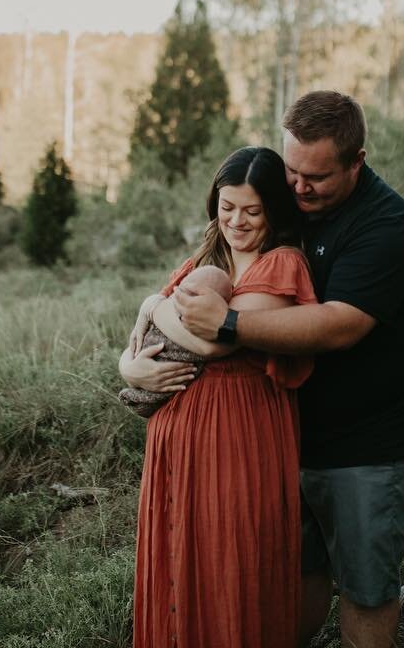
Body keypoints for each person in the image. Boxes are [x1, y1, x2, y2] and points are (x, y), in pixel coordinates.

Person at [173, 91, 404, 648]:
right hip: (286, 430)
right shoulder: (290, 203)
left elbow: (339, 325)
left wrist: (228, 325)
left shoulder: (387, 227)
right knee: (293, 571)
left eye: (315, 177)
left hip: (370, 439)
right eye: (291, 169)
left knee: (366, 589)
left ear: (356, 162)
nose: (298, 188)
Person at [118, 146, 317, 648]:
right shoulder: (203, 262)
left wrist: (151, 304)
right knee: (179, 561)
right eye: (227, 207)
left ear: (273, 208)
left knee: (231, 557)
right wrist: (128, 367)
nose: (237, 221)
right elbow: (136, 346)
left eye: (252, 210)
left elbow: (211, 340)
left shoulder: (281, 265)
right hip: (176, 438)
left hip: (238, 436)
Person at [117, 264, 231, 417]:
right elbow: (139, 338)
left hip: (207, 412)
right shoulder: (193, 266)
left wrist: (152, 306)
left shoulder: (255, 274)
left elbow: (211, 346)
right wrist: (128, 368)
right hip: (165, 419)